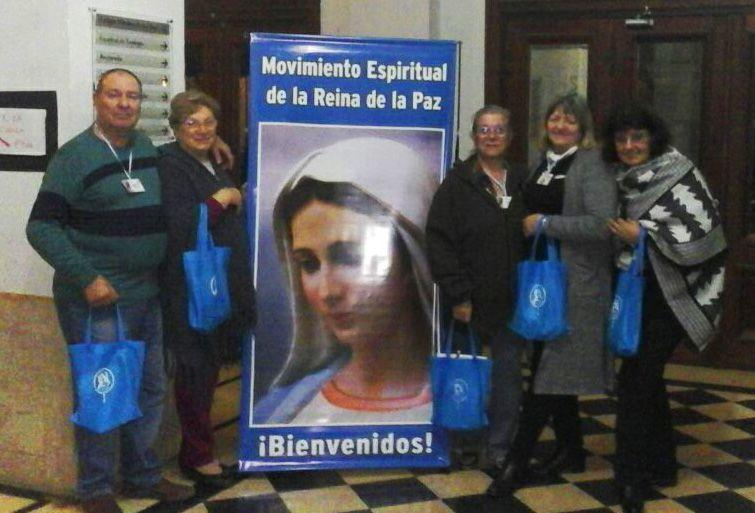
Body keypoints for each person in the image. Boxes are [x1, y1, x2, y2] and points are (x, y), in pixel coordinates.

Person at [26, 69, 194, 513]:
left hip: (147, 294)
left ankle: (143, 476)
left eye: (132, 96)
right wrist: (87, 277)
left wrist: (210, 147)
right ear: (96, 99)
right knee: (102, 391)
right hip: (98, 300)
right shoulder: (74, 157)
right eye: (114, 95)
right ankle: (96, 489)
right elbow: (40, 228)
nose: (124, 103)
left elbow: (185, 163)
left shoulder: (147, 149)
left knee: (151, 389)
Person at [254, 137, 436, 424]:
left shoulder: (460, 399)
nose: (328, 291)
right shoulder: (278, 415)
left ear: (412, 260)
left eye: (351, 257)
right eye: (308, 264)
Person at [488, 94, 617, 497]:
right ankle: (572, 451)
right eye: (555, 118)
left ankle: (515, 463)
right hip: (543, 282)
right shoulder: (543, 163)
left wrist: (546, 223)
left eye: (570, 121)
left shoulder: (592, 165)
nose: (560, 126)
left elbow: (603, 225)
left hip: (577, 286)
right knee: (551, 366)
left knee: (545, 374)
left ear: (583, 128)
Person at [603, 103, 726, 513]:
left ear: (653, 138)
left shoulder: (681, 174)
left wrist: (643, 235)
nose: (629, 146)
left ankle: (630, 479)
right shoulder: (619, 180)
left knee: (634, 385)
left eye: (637, 137)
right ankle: (662, 464)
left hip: (675, 297)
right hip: (636, 292)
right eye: (621, 139)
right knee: (646, 380)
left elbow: (706, 235)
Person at [158, 90, 257, 488]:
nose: (201, 130)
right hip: (190, 288)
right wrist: (223, 197)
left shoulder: (211, 159)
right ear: (175, 128)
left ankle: (198, 450)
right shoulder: (169, 163)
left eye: (208, 122)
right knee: (195, 373)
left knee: (208, 371)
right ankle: (198, 458)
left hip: (217, 284)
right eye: (191, 123)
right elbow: (179, 222)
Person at [425, 105, 527, 469]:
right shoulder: (456, 185)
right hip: (469, 300)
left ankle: (500, 447)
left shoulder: (522, 181)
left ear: (510, 136)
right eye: (484, 129)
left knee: (507, 377)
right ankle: (464, 443)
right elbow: (439, 243)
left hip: (513, 300)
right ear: (473, 136)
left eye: (499, 129)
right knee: (465, 374)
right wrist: (459, 294)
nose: (491, 136)